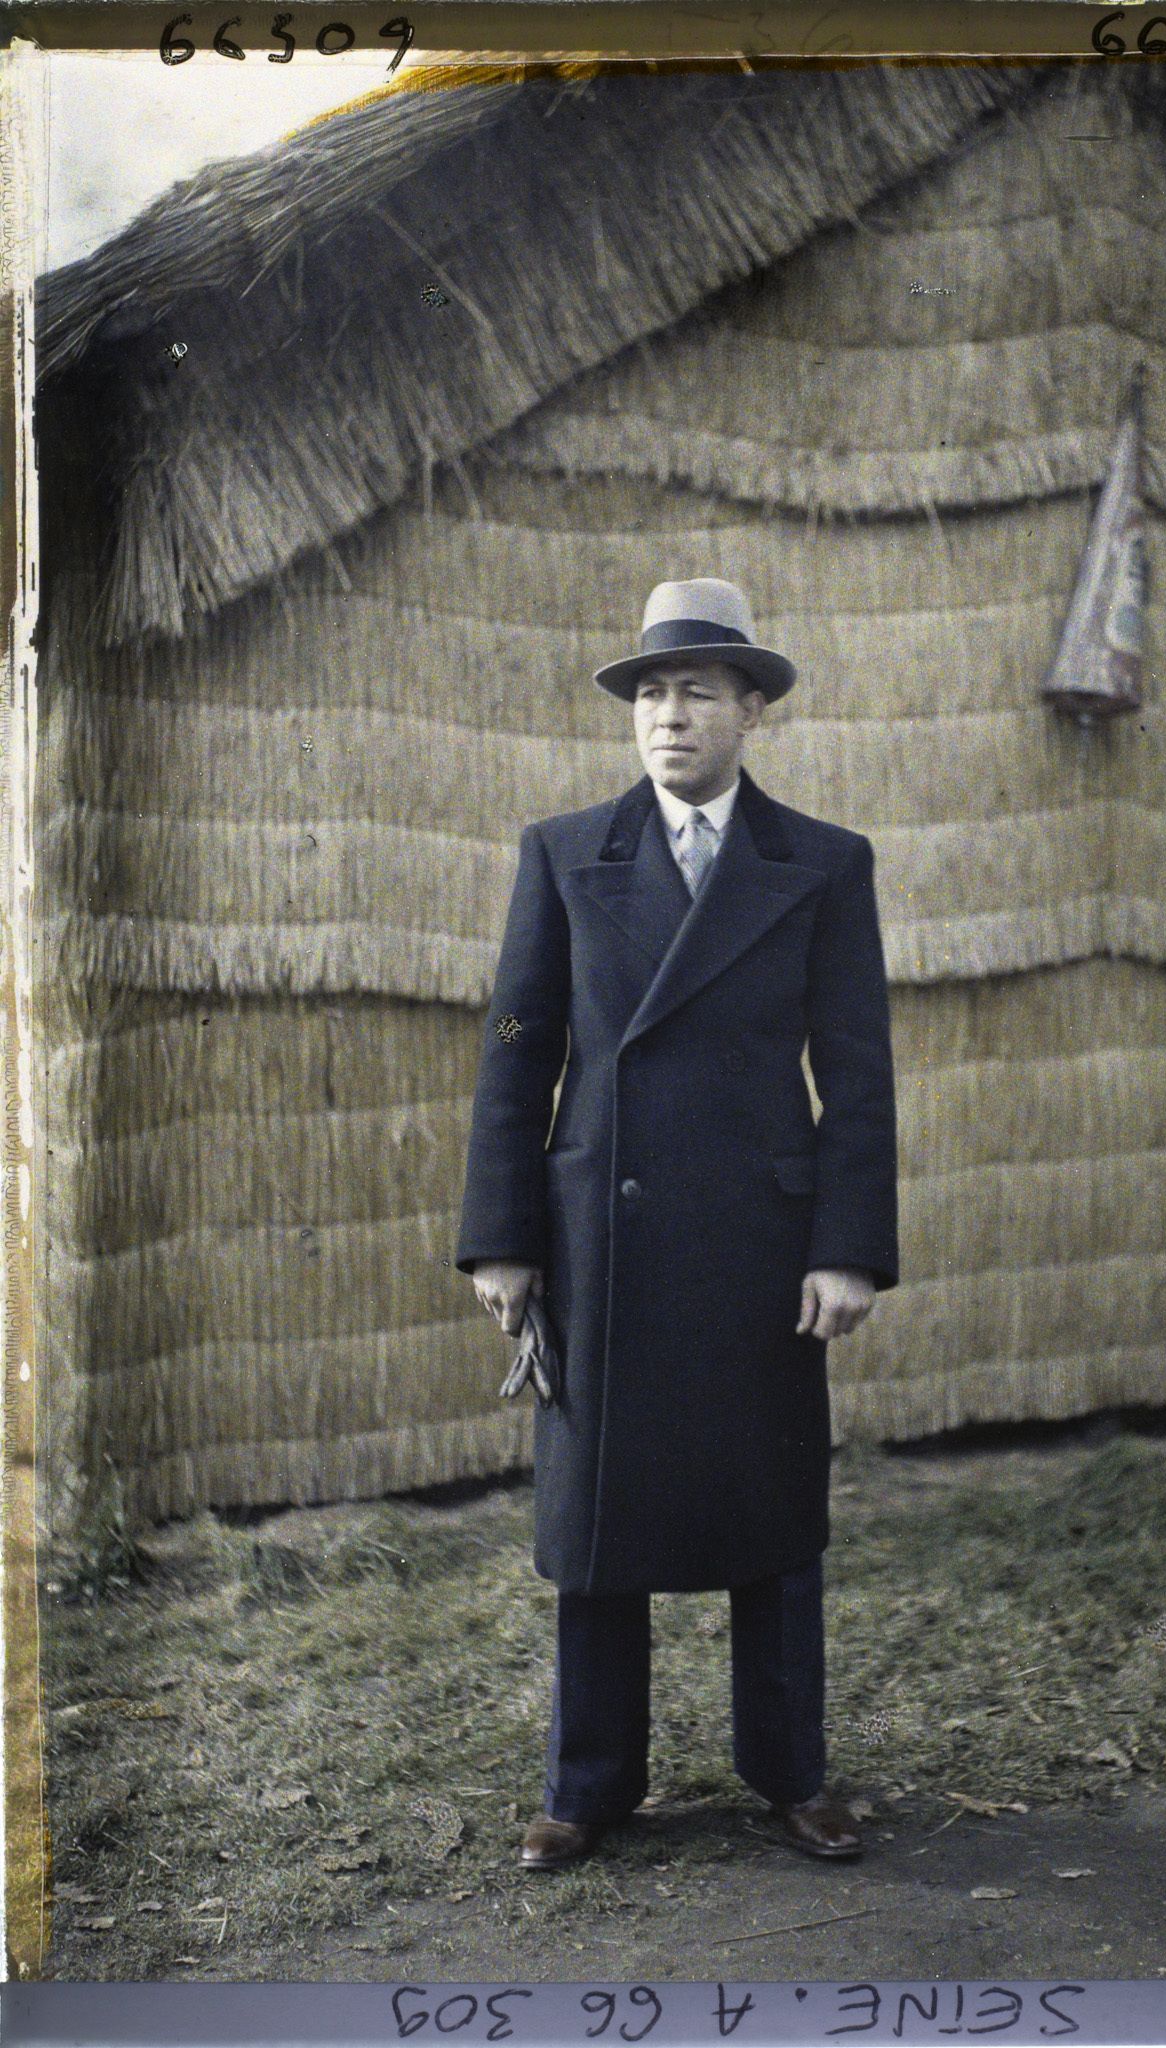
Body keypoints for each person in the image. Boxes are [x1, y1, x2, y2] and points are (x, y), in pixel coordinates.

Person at [456, 577, 899, 1870]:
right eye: (651, 693)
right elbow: (517, 1058)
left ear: (753, 708)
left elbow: (857, 1076)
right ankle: (588, 1785)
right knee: (599, 1527)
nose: (670, 716)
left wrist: (847, 1245)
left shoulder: (823, 862)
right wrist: (503, 1235)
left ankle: (792, 1774)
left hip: (759, 1246)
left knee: (772, 1517)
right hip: (606, 1237)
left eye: (698, 690)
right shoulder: (563, 853)